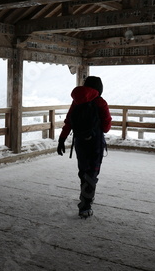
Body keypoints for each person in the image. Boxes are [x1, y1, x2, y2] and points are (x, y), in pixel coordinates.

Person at [57, 76, 112, 218]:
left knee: (83, 170)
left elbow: (69, 121)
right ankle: (86, 205)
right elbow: (106, 127)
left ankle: (86, 197)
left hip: (80, 142)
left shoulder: (76, 101)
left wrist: (62, 139)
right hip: (95, 142)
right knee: (92, 172)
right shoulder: (100, 102)